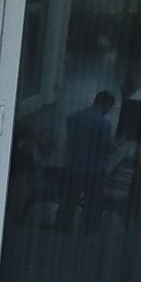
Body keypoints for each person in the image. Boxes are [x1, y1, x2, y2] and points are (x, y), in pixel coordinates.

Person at [60, 91, 118, 230]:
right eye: (109, 108)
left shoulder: (72, 118)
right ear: (106, 104)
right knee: (94, 203)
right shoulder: (104, 124)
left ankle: (63, 228)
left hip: (73, 167)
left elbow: (71, 141)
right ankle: (90, 229)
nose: (108, 112)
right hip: (94, 171)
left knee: (69, 201)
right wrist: (118, 144)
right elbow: (108, 148)